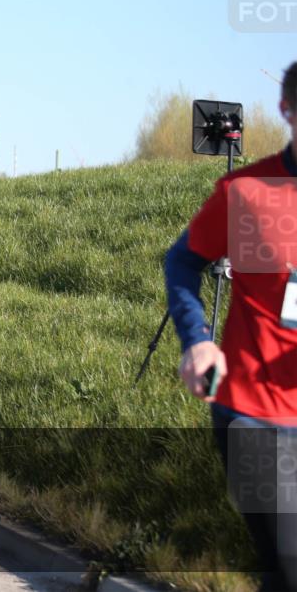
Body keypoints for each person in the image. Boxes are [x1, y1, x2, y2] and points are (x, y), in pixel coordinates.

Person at [164, 61, 297, 591]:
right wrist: (197, 341)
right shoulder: (246, 191)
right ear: (287, 110)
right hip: (257, 415)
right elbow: (182, 261)